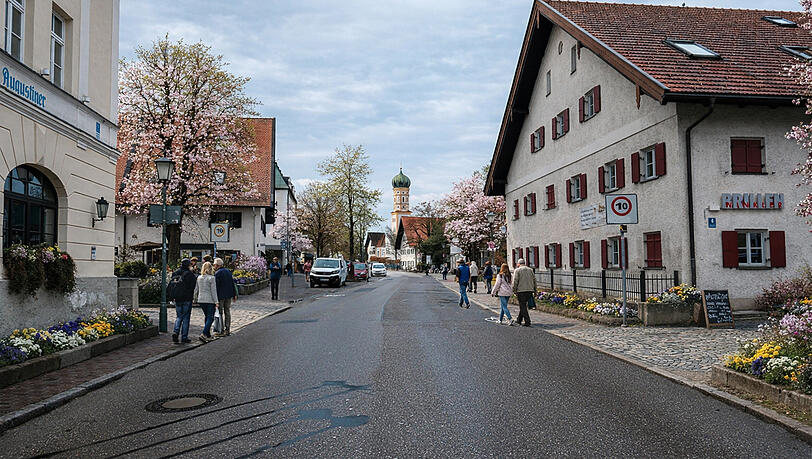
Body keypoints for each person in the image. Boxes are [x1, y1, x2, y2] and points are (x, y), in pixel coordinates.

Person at [171, 259, 197, 344]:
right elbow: (193, 287)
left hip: (177, 298)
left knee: (179, 316)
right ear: (189, 265)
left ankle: (176, 331)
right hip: (187, 298)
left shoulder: (175, 273)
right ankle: (184, 337)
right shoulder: (190, 274)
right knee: (186, 318)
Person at [194, 261, 219, 343]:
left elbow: (196, 289)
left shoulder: (199, 277)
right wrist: (216, 301)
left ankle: (208, 334)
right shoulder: (212, 278)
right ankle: (204, 333)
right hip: (210, 300)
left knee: (207, 316)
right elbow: (213, 291)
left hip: (201, 299)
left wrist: (194, 299)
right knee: (210, 317)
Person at [214, 257, 237, 337]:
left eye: (214, 265)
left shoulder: (217, 273)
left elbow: (216, 287)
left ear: (217, 265)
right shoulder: (228, 271)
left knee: (219, 313)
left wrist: (215, 298)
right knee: (227, 312)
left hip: (220, 296)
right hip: (229, 295)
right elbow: (232, 283)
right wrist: (234, 294)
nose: (214, 266)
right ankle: (228, 329)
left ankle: (221, 330)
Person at [512, 258, 536, 327]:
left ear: (518, 264)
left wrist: (514, 290)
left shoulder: (517, 270)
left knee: (522, 306)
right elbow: (534, 280)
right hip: (529, 290)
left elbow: (515, 281)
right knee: (523, 306)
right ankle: (519, 320)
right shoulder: (530, 270)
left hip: (521, 290)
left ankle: (527, 321)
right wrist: (535, 290)